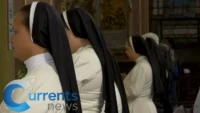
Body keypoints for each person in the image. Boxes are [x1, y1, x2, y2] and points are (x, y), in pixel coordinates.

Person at [0, 2, 81, 113]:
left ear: (34, 33)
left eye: (15, 32)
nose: (11, 39)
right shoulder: (49, 75)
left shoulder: (38, 83)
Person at [61, 8, 129, 113]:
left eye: (62, 32)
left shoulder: (84, 58)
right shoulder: (95, 54)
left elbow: (56, 92)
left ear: (75, 31)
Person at [123, 35, 162, 113]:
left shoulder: (142, 66)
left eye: (127, 49)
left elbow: (133, 91)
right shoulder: (142, 64)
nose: (126, 52)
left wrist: (119, 92)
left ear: (134, 49)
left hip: (140, 108)